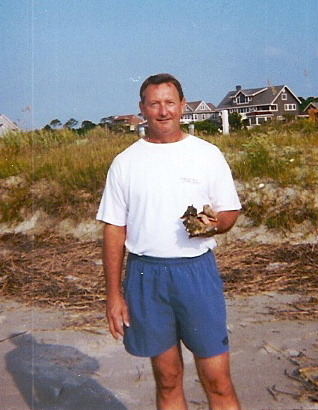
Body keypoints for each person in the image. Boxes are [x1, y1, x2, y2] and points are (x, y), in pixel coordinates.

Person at [96, 73, 242, 410]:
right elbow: (114, 230)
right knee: (168, 380)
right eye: (154, 104)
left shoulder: (206, 154)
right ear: (142, 109)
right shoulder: (125, 163)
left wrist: (216, 225)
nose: (163, 111)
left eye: (170, 103)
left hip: (197, 273)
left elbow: (230, 211)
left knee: (218, 382)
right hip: (146, 276)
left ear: (183, 107)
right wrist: (114, 295)